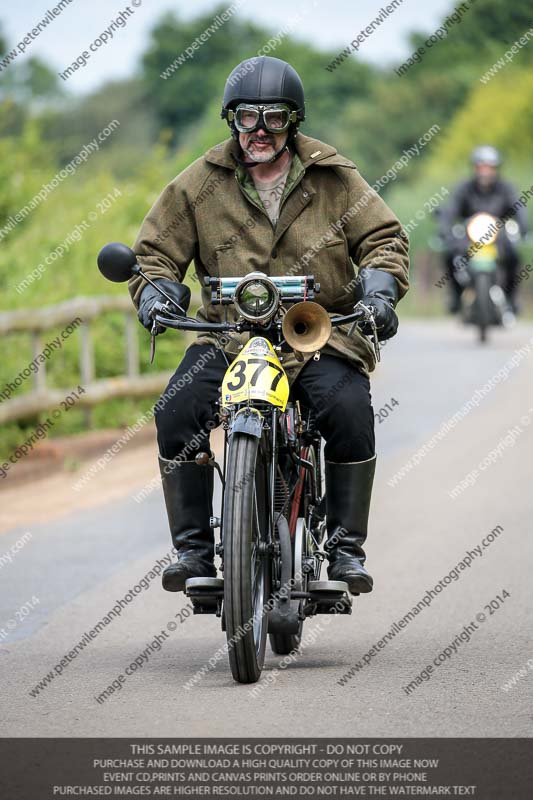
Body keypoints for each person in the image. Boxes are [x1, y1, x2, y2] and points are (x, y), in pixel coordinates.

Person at [128, 56, 409, 596]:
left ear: (294, 121)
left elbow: (385, 239)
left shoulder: (336, 177)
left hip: (320, 334)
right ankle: (192, 548)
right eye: (247, 117)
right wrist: (158, 295)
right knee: (177, 410)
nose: (258, 131)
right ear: (230, 120)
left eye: (273, 118)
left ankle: (347, 549)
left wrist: (378, 291)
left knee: (349, 409)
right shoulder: (197, 184)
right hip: (228, 338)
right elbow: (155, 255)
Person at [439, 145, 528, 313]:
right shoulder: (464, 188)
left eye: (489, 167)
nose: (485, 171)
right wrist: (444, 230)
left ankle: (511, 298)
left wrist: (524, 228)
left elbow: (519, 208)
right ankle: (456, 295)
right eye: (481, 167)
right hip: (469, 236)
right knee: (450, 255)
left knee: (514, 257)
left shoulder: (506, 188)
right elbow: (450, 210)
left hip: (499, 235)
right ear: (475, 168)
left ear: (496, 169)